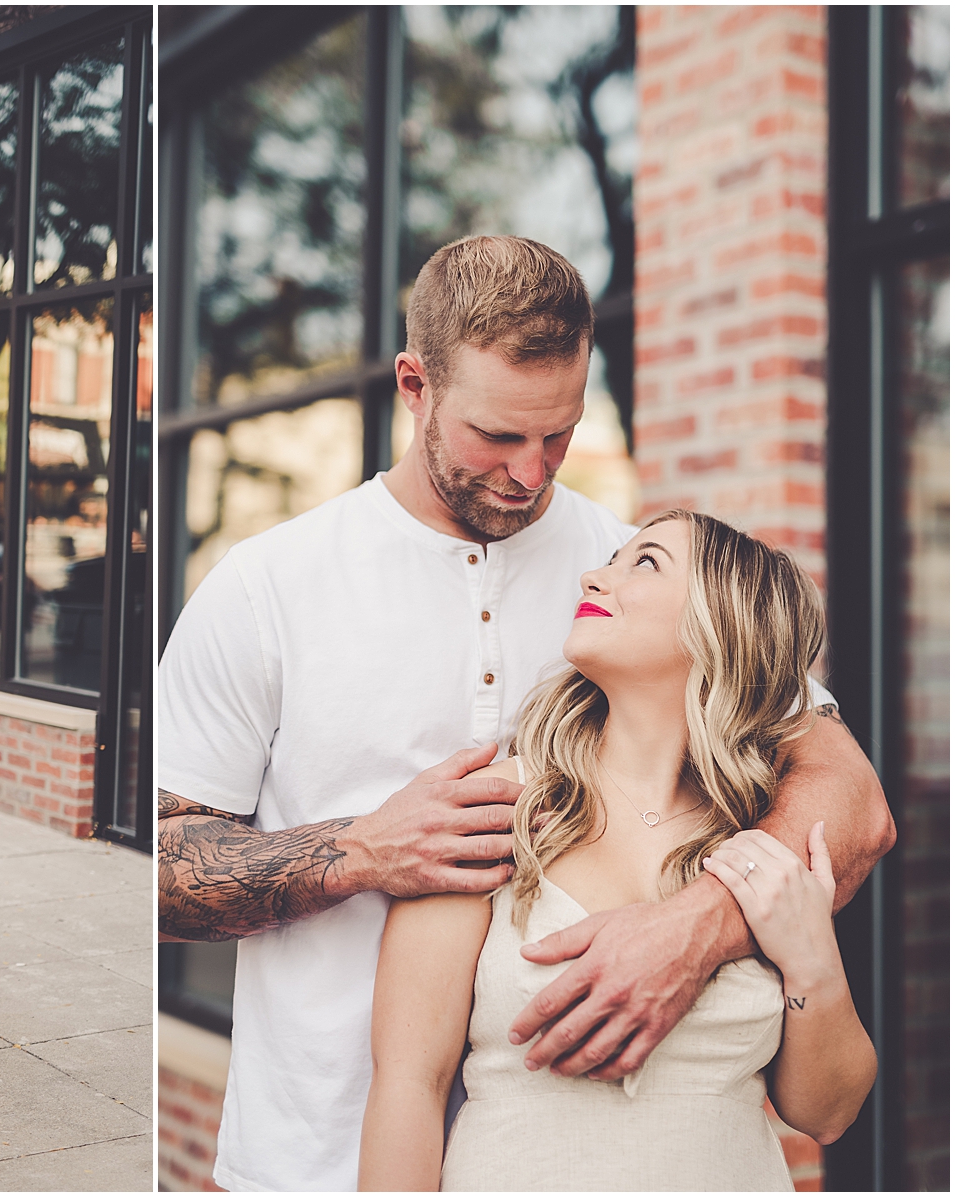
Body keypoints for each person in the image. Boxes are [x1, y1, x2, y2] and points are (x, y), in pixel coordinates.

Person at [156, 235, 894, 1192]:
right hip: (312, 1150)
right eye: (497, 437)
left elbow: (850, 798)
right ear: (414, 385)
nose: (531, 472)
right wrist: (361, 851)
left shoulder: (628, 571)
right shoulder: (266, 586)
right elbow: (160, 870)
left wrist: (699, 925)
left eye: (559, 434)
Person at [360, 512, 877, 1190]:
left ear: (720, 623)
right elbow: (408, 1085)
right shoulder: (490, 808)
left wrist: (812, 961)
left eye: (647, 562)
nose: (594, 575)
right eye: (613, 557)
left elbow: (827, 1111)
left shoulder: (766, 833)